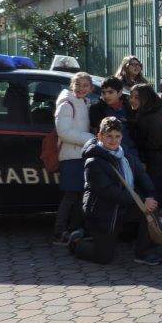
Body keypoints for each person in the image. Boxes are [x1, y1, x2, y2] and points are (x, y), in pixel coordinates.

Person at [70, 117, 161, 265]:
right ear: (100, 136)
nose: (113, 141)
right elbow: (108, 191)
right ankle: (76, 242)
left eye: (117, 136)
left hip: (124, 205)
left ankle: (142, 253)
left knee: (150, 211)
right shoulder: (93, 162)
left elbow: (141, 175)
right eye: (109, 136)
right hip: (103, 212)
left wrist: (151, 195)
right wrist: (141, 201)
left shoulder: (125, 154)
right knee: (103, 258)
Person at [53, 72, 94, 244]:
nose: (81, 88)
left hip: (80, 154)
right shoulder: (66, 104)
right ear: (72, 86)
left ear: (91, 88)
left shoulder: (84, 102)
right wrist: (91, 138)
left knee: (79, 195)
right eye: (78, 84)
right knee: (70, 196)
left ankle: (74, 230)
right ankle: (59, 232)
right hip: (70, 156)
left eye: (85, 85)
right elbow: (63, 132)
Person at [128, 84, 162, 207]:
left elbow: (152, 144)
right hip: (159, 162)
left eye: (136, 97)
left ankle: (159, 224)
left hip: (158, 164)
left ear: (146, 98)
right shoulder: (149, 112)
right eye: (131, 96)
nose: (132, 100)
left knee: (153, 195)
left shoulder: (152, 117)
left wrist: (143, 160)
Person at [89, 76, 135, 156]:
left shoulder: (130, 107)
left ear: (120, 92)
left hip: (132, 152)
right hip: (109, 153)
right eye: (103, 92)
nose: (106, 96)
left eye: (110, 92)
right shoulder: (97, 109)